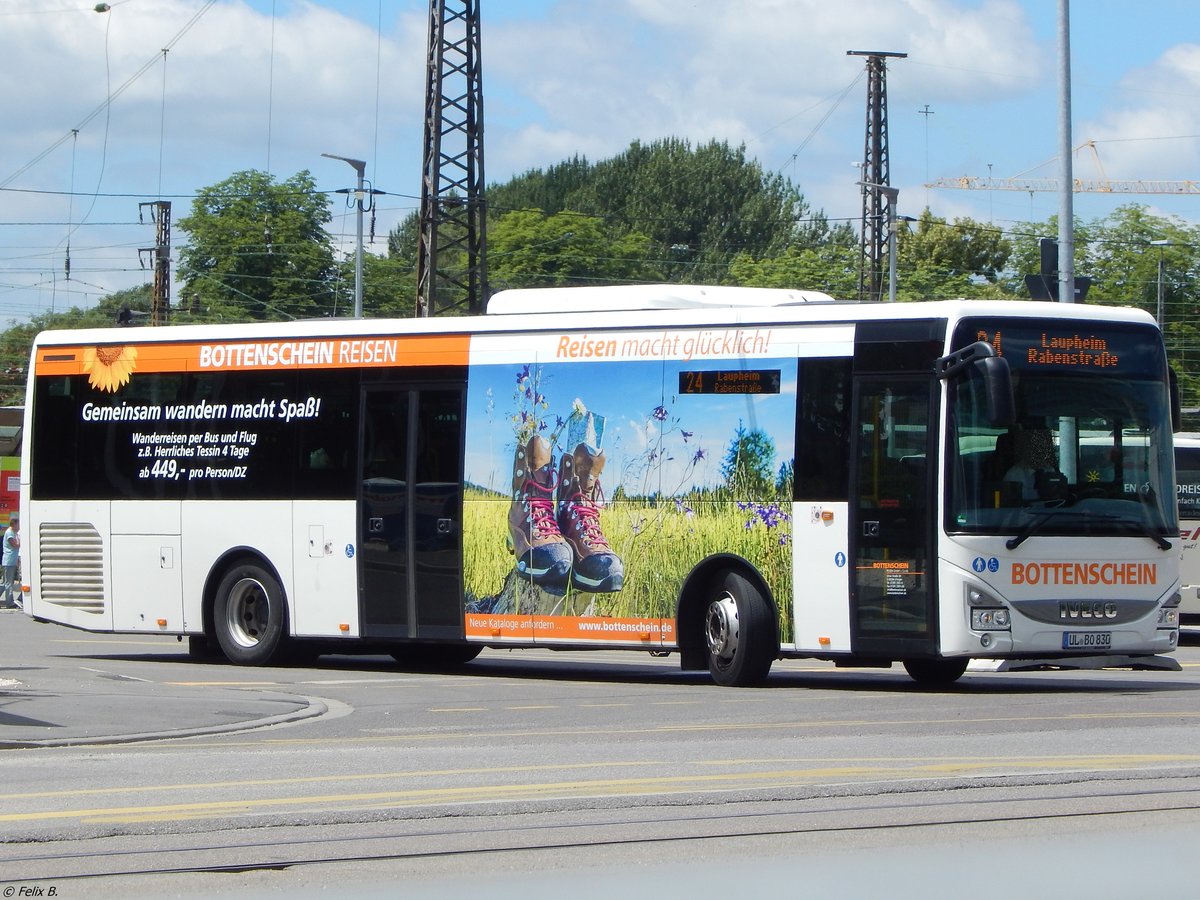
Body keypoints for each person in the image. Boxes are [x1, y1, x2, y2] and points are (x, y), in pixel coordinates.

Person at [2, 513, 19, 609]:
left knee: (5, 582)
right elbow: (15, 545)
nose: (19, 526)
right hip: (9, 560)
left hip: (11, 560)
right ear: (14, 524)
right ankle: (9, 602)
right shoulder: (10, 533)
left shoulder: (13, 532)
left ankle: (9, 601)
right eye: (18, 524)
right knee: (8, 583)